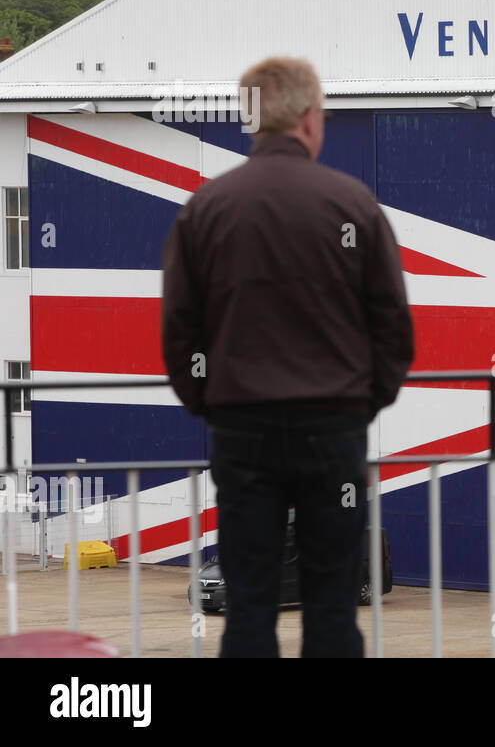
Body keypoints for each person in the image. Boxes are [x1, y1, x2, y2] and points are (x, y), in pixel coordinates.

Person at [161, 57, 414, 657]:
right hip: (334, 429)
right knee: (332, 609)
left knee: (249, 606)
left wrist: (213, 403)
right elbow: (393, 328)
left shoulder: (207, 209)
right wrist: (360, 403)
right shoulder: (352, 205)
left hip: (242, 428)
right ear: (308, 117)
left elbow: (179, 331)